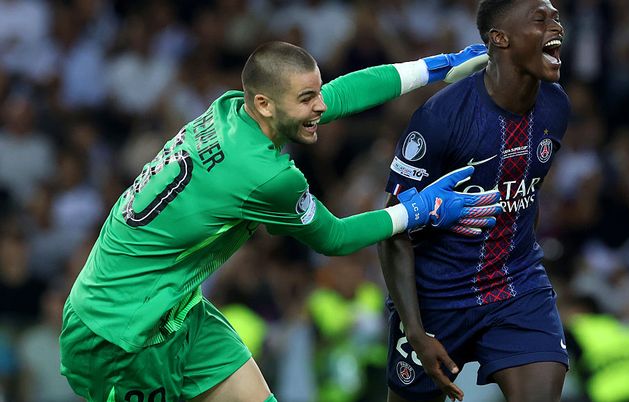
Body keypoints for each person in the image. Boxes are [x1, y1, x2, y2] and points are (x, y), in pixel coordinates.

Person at [58, 41, 497, 402]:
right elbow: (334, 237)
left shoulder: (231, 108)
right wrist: (420, 210)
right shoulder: (267, 177)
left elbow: (338, 97)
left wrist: (438, 67)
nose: (320, 106)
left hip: (174, 312)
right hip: (115, 332)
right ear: (265, 104)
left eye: (316, 92)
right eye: (307, 98)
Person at [378, 0, 570, 401]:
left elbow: (525, 199)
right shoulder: (440, 118)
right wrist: (413, 329)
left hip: (516, 288)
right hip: (437, 299)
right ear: (499, 39)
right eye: (541, 18)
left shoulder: (556, 106)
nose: (557, 25)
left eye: (555, 15)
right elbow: (392, 229)